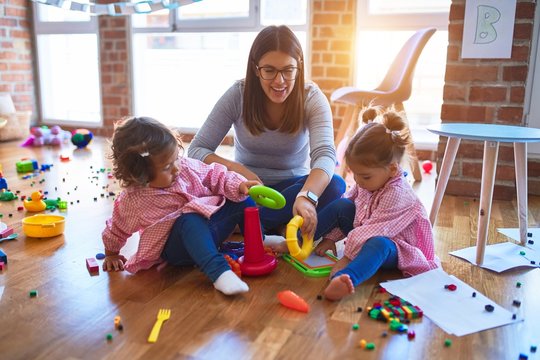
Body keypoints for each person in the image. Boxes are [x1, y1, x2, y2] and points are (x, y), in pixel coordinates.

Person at [188, 25, 346, 240]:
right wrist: (238, 170)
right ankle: (272, 225)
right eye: (269, 70)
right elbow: (197, 149)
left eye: (288, 70)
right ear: (255, 68)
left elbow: (325, 154)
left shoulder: (312, 97)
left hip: (291, 191)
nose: (279, 81)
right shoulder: (238, 95)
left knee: (336, 184)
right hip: (245, 191)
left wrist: (306, 196)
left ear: (298, 67)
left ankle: (244, 222)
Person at [102, 116, 261, 296]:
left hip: (210, 231)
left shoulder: (185, 167)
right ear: (140, 175)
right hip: (179, 250)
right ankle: (219, 273)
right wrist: (111, 254)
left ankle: (258, 241)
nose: (176, 168)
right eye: (167, 167)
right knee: (189, 220)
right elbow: (117, 228)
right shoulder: (133, 200)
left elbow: (215, 175)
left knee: (239, 197)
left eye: (176, 159)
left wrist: (240, 185)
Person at [312, 107, 440, 301]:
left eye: (364, 176)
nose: (358, 180)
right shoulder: (368, 181)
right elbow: (349, 207)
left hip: (397, 248)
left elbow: (372, 231)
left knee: (378, 244)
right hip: (366, 233)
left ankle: (345, 279)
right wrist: (330, 237)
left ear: (392, 168)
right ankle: (296, 238)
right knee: (343, 205)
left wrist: (346, 259)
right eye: (355, 174)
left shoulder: (397, 194)